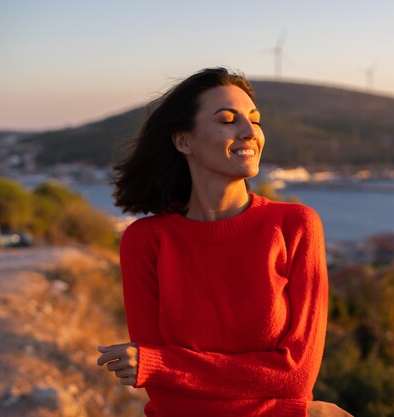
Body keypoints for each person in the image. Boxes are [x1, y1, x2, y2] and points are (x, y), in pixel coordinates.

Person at [96, 68, 352, 417]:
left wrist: (162, 364)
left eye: (255, 120)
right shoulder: (145, 241)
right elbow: (167, 398)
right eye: (228, 120)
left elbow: (295, 376)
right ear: (184, 141)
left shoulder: (295, 225)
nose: (250, 132)